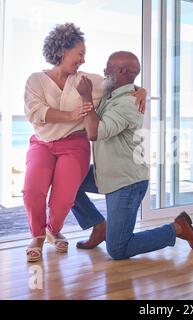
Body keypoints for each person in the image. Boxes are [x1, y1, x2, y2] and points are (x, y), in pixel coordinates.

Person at [23, 23, 146, 262]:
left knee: (64, 197)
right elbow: (34, 111)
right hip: (42, 143)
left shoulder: (88, 81)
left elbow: (123, 81)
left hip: (74, 145)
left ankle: (52, 229)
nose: (83, 59)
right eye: (79, 53)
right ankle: (37, 236)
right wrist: (70, 116)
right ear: (62, 51)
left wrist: (142, 91)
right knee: (31, 192)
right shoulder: (36, 80)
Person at [71, 51, 193, 260]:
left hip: (126, 183)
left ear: (120, 71)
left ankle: (177, 228)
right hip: (107, 173)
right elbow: (131, 88)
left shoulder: (127, 103)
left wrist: (85, 96)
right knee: (66, 184)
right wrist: (142, 90)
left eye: (108, 66)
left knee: (118, 250)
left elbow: (94, 133)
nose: (104, 70)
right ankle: (99, 225)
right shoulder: (113, 94)